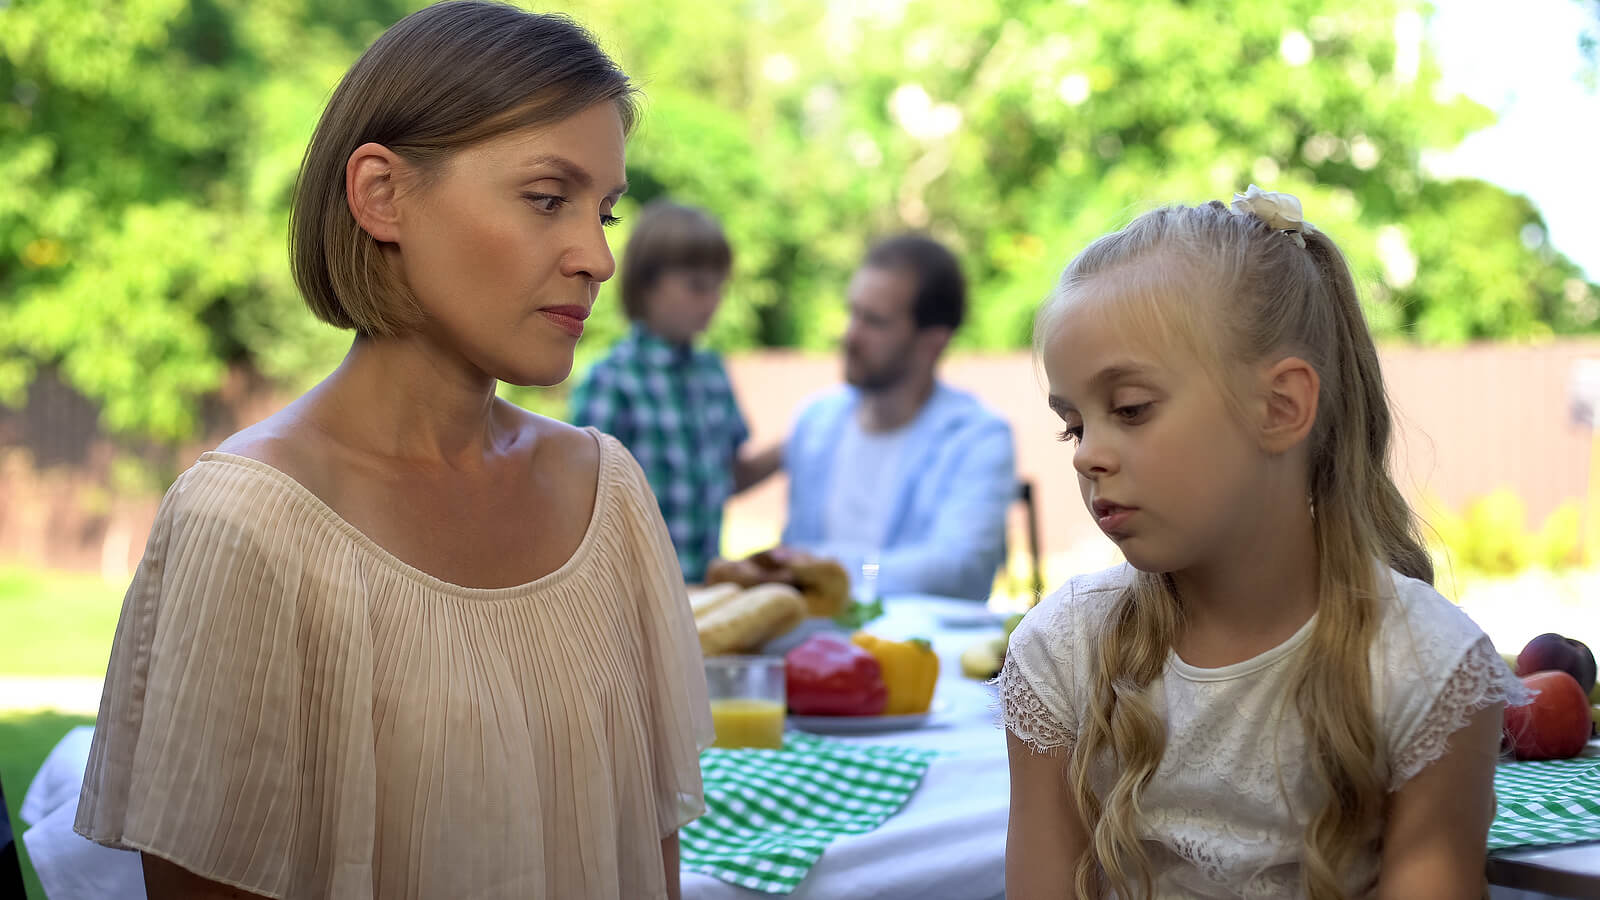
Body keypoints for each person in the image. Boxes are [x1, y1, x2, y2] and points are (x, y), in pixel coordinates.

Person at [73, 4, 712, 898]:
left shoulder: (603, 491)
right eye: (546, 199)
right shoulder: (246, 524)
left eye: (604, 210)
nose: (599, 257)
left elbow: (647, 861)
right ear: (381, 194)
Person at [999, 187, 1528, 899]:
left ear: (1281, 408)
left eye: (1129, 410)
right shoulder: (1060, 655)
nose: (1086, 454)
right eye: (1074, 423)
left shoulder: (1426, 671)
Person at [779, 234, 1016, 603]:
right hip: (809, 652)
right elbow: (789, 559)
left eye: (873, 321)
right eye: (852, 312)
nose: (850, 335)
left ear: (932, 343)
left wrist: (824, 569)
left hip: (922, 656)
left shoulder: (976, 437)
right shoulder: (815, 423)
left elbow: (959, 569)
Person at [570, 200, 781, 583]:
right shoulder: (612, 380)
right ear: (646, 285)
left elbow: (728, 476)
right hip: (635, 592)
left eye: (719, 288)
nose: (712, 301)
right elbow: (582, 504)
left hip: (706, 591)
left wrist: (796, 445)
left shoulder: (713, 374)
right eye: (697, 287)